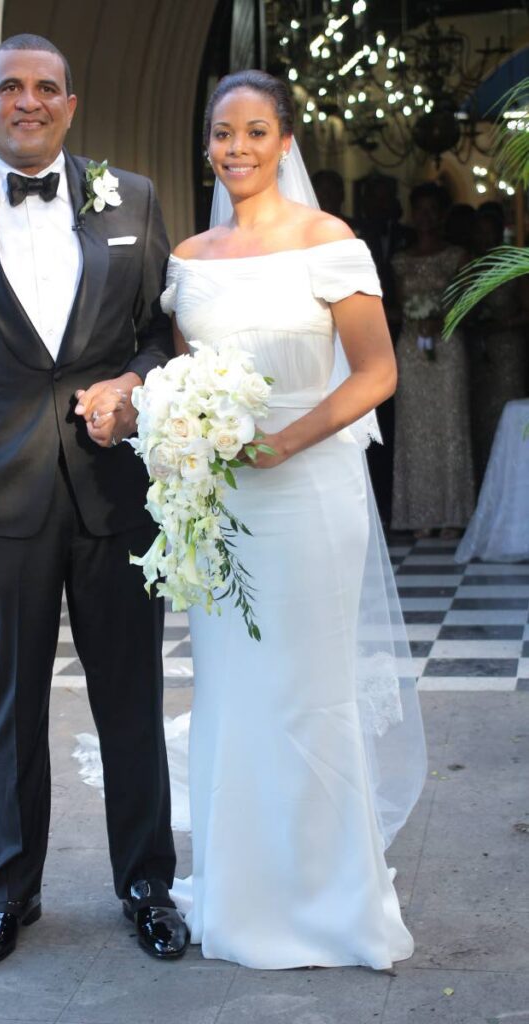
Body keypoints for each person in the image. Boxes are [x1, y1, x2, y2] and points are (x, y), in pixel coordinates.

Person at [0, 33, 188, 966]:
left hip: (114, 496)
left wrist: (131, 384)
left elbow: (161, 334)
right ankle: (9, 894)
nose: (28, 101)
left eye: (46, 87)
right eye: (9, 87)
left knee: (131, 703)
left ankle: (147, 887)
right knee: (8, 711)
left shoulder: (130, 198)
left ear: (70, 104)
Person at [158, 70, 426, 969]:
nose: (235, 148)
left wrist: (284, 440)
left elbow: (376, 372)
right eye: (221, 132)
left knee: (308, 691)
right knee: (233, 693)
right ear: (207, 143)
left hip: (309, 494)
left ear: (284, 142)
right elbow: (188, 380)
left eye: (254, 131)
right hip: (222, 508)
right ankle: (244, 893)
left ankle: (328, 897)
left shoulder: (328, 242)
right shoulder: (189, 257)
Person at [390, 182, 475, 538]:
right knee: (414, 429)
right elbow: (394, 306)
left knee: (450, 426)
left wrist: (442, 318)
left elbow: (470, 303)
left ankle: (453, 514)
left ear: (441, 215)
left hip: (447, 346)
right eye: (419, 209)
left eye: (431, 209)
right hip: (411, 348)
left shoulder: (457, 256)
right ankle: (419, 514)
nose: (424, 216)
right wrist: (412, 315)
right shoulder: (399, 260)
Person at [355, 175, 415, 524]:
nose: (380, 204)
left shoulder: (409, 236)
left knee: (401, 423)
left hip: (407, 339)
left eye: (385, 196)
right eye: (374, 197)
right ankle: (377, 499)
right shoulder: (350, 235)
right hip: (358, 340)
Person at [466, 202, 529, 487]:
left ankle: (511, 481)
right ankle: (484, 482)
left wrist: (501, 324)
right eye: (478, 231)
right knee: (479, 417)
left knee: (506, 411)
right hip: (479, 349)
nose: (483, 237)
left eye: (488, 231)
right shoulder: (470, 266)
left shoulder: (515, 265)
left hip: (507, 350)